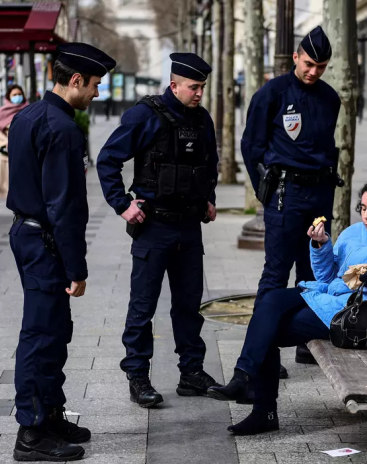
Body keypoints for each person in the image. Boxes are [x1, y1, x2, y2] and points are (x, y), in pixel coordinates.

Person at [207, 179, 367, 435]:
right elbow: (327, 276)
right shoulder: (354, 232)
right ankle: (244, 380)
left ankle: (258, 404)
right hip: (329, 299)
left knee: (267, 330)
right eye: (363, 207)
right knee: (269, 301)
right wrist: (321, 245)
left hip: (355, 317)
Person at [6, 42, 116, 462]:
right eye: (94, 85)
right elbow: (65, 207)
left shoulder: (28, 116)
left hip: (27, 234)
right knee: (41, 335)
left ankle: (49, 413)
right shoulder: (64, 129)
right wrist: (77, 268)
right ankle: (31, 433)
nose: (97, 93)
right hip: (45, 241)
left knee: (53, 331)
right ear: (75, 81)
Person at [96, 52, 221, 408]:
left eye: (202, 88)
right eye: (193, 87)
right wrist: (122, 204)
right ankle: (138, 377)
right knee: (143, 307)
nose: (198, 94)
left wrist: (209, 197)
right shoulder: (144, 115)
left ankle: (191, 373)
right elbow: (108, 160)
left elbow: (210, 164)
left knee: (188, 306)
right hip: (153, 226)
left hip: (188, 228)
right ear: (174, 84)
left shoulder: (202, 119)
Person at [240, 26, 342, 369]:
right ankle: (263, 353)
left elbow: (327, 147)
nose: (314, 72)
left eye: (321, 66)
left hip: (319, 195)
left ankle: (304, 342)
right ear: (296, 56)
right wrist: (264, 192)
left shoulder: (330, 98)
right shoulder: (272, 93)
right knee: (276, 274)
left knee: (311, 274)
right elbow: (250, 146)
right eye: (309, 63)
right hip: (285, 195)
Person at [0, 84, 28, 198]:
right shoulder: (2, 111)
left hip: (26, 151)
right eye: (14, 95)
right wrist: (5, 142)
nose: (17, 97)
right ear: (9, 97)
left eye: (20, 94)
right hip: (8, 152)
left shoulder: (29, 109)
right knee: (8, 188)